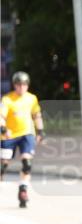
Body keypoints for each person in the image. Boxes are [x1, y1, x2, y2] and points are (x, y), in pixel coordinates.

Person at [0, 71, 45, 208]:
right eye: (19, 85)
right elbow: (1, 116)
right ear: (14, 85)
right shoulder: (7, 99)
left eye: (24, 85)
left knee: (27, 163)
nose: (22, 88)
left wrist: (40, 131)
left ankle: (23, 190)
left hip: (27, 134)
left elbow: (37, 115)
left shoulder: (32, 98)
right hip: (9, 136)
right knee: (3, 166)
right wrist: (3, 129)